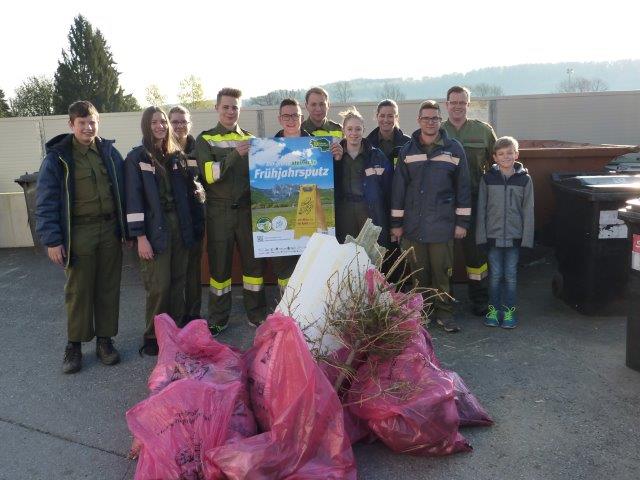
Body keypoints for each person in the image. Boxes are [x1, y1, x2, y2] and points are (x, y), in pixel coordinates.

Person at [36, 100, 127, 374]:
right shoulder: (58, 157)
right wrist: (52, 240)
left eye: (92, 122)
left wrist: (129, 230)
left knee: (108, 287)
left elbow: (125, 190)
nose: (88, 127)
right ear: (71, 125)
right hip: (79, 233)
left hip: (110, 231)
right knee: (78, 291)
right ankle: (74, 346)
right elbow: (46, 201)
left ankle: (105, 341)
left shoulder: (109, 153)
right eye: (82, 123)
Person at [125, 106, 204, 355]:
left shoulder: (177, 156)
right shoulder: (137, 158)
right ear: (146, 126)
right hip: (154, 229)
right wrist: (140, 237)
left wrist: (199, 192)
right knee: (159, 285)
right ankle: (152, 337)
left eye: (162, 122)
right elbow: (133, 201)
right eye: (154, 122)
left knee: (179, 281)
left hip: (179, 227)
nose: (160, 126)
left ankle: (176, 331)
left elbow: (191, 192)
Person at [390, 100, 471, 333]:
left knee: (442, 274)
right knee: (419, 276)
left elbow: (463, 188)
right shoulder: (407, 150)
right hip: (413, 227)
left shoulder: (453, 148)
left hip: (442, 226)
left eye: (434, 118)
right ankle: (422, 315)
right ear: (418, 120)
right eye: (426, 118)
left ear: (440, 120)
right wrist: (396, 224)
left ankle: (445, 315)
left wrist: (462, 223)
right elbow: (398, 190)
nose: (430, 122)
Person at [195, 88, 266, 334]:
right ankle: (218, 318)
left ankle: (256, 315)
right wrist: (236, 154)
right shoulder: (205, 140)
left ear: (240, 109)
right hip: (219, 212)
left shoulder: (251, 138)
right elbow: (209, 175)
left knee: (254, 269)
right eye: (225, 107)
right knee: (219, 270)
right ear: (217, 108)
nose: (230, 111)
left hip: (247, 212)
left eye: (234, 107)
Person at [443, 85, 497, 317]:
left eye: (461, 102)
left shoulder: (483, 131)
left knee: (475, 254)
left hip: (474, 200)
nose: (457, 106)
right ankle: (444, 302)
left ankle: (480, 299)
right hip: (443, 202)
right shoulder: (437, 131)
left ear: (468, 104)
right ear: (446, 105)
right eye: (453, 102)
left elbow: (498, 161)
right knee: (443, 253)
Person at [476, 136, 534, 329]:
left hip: (514, 239)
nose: (506, 156)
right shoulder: (487, 179)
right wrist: (481, 237)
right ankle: (493, 311)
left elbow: (528, 211)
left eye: (510, 153)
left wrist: (526, 240)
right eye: (501, 153)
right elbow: (481, 210)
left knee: (510, 276)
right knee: (494, 276)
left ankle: (509, 312)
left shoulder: (525, 180)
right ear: (494, 157)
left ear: (516, 154)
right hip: (492, 238)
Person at [335, 106, 393, 247]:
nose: (354, 133)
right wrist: (336, 162)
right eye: (350, 129)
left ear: (364, 130)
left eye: (358, 129)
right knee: (346, 254)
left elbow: (389, 190)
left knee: (370, 255)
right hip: (344, 212)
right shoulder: (334, 155)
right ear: (344, 130)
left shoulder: (376, 156)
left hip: (370, 211)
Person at [169, 105, 205, 324]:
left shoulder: (198, 148)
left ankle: (194, 316)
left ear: (190, 124)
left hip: (196, 218)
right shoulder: (164, 150)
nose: (180, 126)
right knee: (176, 272)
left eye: (183, 121)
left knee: (193, 273)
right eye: (175, 122)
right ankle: (177, 317)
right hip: (174, 220)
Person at [269, 98, 310, 294]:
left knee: (310, 265)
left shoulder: (317, 146)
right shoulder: (268, 148)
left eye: (295, 115)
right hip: (281, 220)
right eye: (286, 115)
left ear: (301, 117)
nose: (291, 119)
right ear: (279, 119)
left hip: (309, 215)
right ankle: (285, 312)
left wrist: (336, 155)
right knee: (284, 271)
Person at [301, 86, 344, 161]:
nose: (318, 109)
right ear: (306, 106)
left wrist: (341, 156)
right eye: (313, 104)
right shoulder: (299, 130)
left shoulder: (340, 130)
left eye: (322, 104)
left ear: (328, 105)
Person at [366, 99, 411, 167]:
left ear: (396, 117)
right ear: (377, 117)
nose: (386, 120)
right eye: (382, 116)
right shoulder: (367, 144)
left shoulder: (407, 143)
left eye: (390, 116)